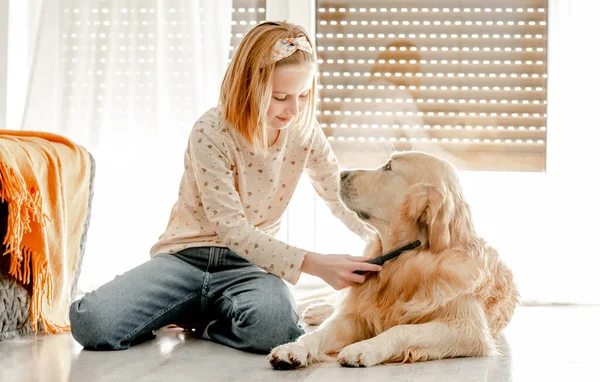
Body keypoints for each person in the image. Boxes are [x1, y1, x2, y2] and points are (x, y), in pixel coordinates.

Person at [69, 21, 382, 354]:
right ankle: (177, 308)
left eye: (303, 95)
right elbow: (232, 228)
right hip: (184, 260)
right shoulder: (211, 131)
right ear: (249, 86)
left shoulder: (304, 131)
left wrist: (381, 237)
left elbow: (338, 194)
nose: (294, 109)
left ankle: (205, 322)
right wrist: (315, 263)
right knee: (92, 323)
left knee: (278, 329)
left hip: (250, 266)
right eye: (280, 97)